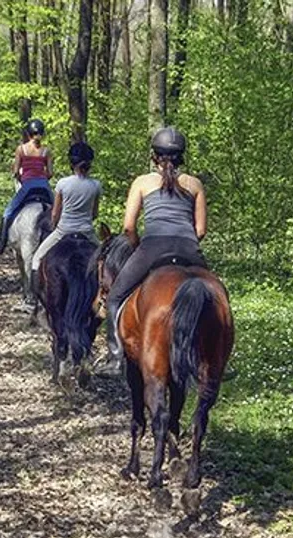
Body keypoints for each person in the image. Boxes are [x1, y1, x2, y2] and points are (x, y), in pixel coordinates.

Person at [97, 126, 208, 375]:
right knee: (214, 296)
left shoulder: (142, 183)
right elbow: (200, 231)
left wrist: (138, 246)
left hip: (152, 247)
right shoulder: (195, 184)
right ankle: (213, 358)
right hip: (189, 247)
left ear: (154, 156)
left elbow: (128, 227)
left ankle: (115, 358)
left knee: (115, 297)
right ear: (182, 156)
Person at [29, 141, 101, 281]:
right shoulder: (96, 185)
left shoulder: (62, 183)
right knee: (105, 261)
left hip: (64, 230)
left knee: (36, 259)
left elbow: (55, 213)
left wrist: (54, 226)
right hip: (87, 232)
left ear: (71, 163)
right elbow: (94, 214)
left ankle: (32, 298)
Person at [0, 119, 54, 254]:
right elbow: (50, 173)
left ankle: (0, 242)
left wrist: (21, 178)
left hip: (27, 186)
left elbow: (16, 171)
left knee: (8, 212)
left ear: (28, 134)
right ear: (42, 133)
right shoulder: (47, 151)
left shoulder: (21, 149)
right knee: (57, 212)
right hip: (44, 187)